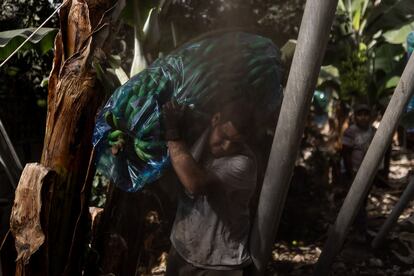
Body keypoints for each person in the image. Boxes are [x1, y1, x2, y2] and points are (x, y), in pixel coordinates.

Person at [162, 98, 257, 276]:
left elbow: (194, 183)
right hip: (182, 249)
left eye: (235, 143)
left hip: (219, 263)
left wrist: (172, 132)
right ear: (215, 119)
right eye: (224, 137)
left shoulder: (243, 164)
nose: (226, 147)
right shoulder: (198, 133)